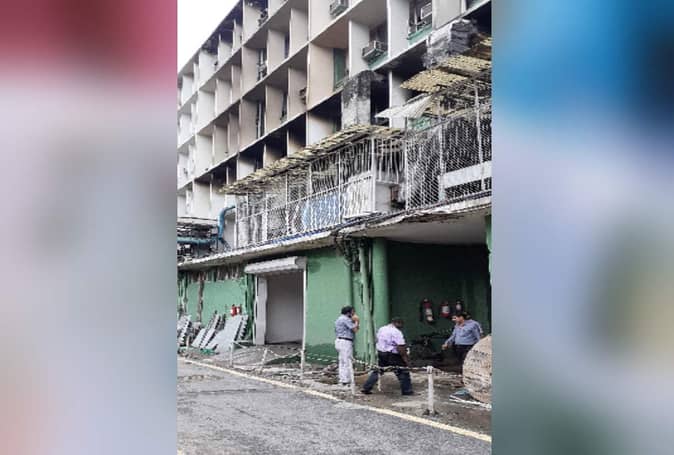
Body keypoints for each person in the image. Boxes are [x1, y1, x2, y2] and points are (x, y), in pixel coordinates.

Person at [361, 317, 414, 395]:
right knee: (403, 371)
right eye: (401, 324)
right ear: (397, 323)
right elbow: (400, 347)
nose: (402, 326)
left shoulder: (382, 329)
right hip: (393, 354)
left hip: (381, 353)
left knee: (378, 370)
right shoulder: (396, 332)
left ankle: (366, 387)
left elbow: (377, 340)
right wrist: (406, 359)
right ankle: (407, 391)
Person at [334, 306, 359, 386]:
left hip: (339, 340)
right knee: (347, 361)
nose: (354, 313)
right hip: (345, 341)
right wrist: (357, 321)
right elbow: (355, 330)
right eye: (353, 312)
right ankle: (346, 381)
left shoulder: (339, 319)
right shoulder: (346, 319)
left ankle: (342, 379)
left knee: (342, 361)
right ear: (348, 312)